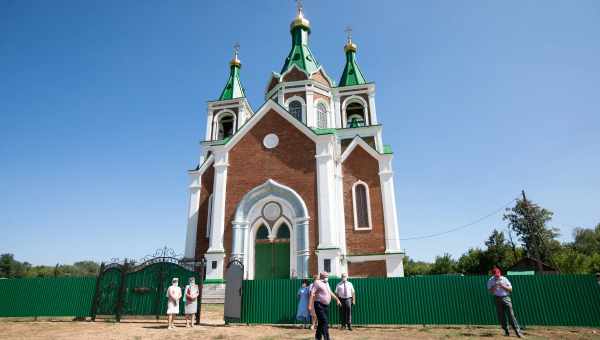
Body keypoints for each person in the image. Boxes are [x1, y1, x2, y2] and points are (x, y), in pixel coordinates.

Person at [487, 267, 523, 338]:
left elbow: (510, 289)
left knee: (511, 316)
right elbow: (490, 291)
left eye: (498, 275)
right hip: (497, 298)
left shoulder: (504, 279)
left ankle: (518, 332)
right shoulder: (490, 280)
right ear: (493, 274)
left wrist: (502, 286)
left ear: (500, 273)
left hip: (506, 298)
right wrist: (495, 286)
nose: (497, 277)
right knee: (501, 316)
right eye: (495, 275)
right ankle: (506, 331)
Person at [308, 272, 341, 340]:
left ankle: (317, 337)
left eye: (327, 276)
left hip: (325, 305)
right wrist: (310, 305)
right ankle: (327, 338)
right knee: (325, 321)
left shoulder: (327, 283)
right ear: (322, 276)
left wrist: (337, 299)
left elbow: (330, 292)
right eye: (326, 276)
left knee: (321, 322)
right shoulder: (317, 283)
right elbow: (312, 293)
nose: (327, 277)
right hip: (319, 304)